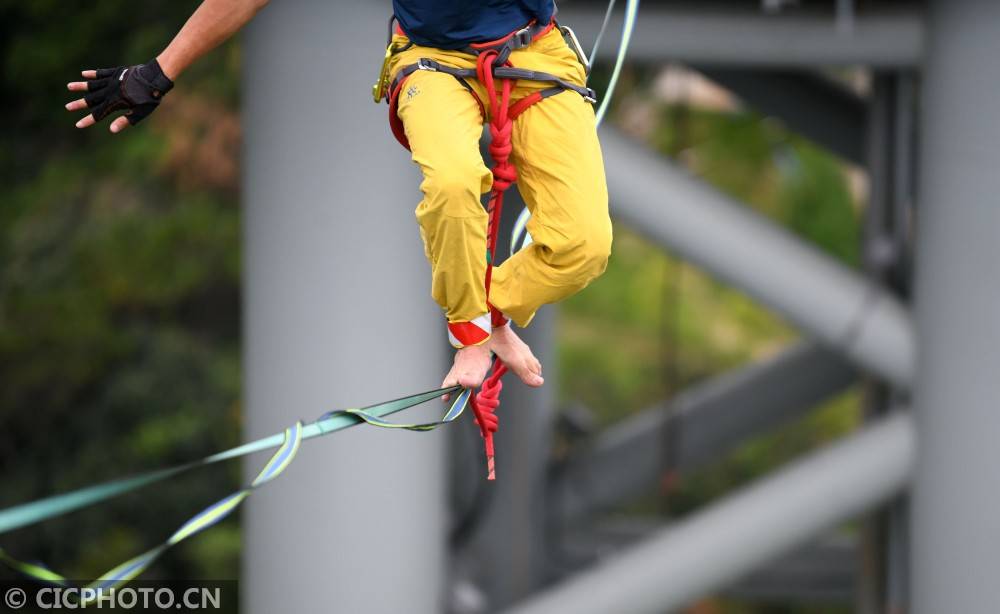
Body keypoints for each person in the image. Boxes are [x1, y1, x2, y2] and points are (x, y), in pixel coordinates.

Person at [65, 0, 611, 396]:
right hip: (432, 62)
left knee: (582, 245)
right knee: (451, 179)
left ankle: (488, 315)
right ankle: (469, 330)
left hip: (534, 51)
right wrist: (160, 72)